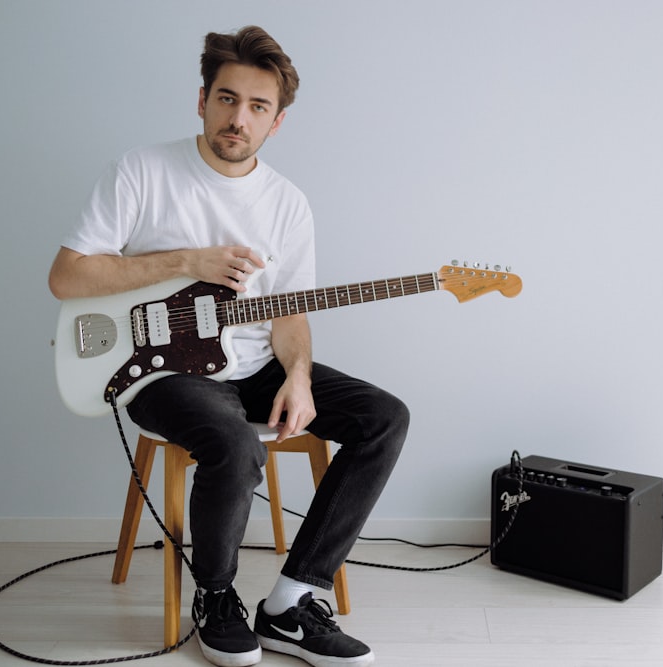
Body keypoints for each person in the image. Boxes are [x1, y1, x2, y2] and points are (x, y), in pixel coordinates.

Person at [48, 26, 408, 667]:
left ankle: (293, 602)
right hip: (160, 374)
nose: (238, 118)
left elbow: (290, 311)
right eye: (226, 98)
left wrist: (297, 374)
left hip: (254, 365)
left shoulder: (287, 204)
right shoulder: (142, 171)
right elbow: (67, 276)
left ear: (278, 122)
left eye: (257, 107)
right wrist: (188, 261)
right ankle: (216, 598)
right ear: (202, 100)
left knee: (384, 417)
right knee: (235, 442)